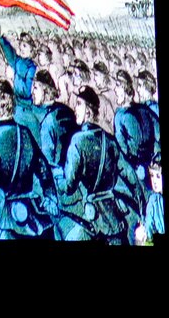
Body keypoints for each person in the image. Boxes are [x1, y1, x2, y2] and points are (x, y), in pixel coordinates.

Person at [0, 78, 57, 240]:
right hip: (35, 215)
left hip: (12, 222)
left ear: (5, 103)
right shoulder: (25, 134)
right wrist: (50, 197)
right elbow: (44, 171)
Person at [60, 86, 135, 244]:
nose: (75, 109)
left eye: (79, 104)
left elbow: (68, 186)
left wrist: (57, 175)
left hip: (92, 220)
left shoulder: (78, 141)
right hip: (114, 218)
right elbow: (129, 175)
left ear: (88, 111)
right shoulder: (110, 140)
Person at [0, 24, 41, 146]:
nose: (21, 48)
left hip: (26, 109)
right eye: (20, 45)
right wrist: (0, 37)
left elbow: (27, 91)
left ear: (32, 49)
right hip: (16, 107)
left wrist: (14, 77)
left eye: (25, 46)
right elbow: (9, 54)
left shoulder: (33, 68)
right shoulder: (18, 61)